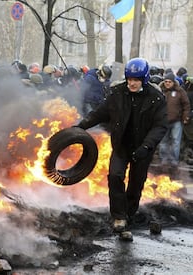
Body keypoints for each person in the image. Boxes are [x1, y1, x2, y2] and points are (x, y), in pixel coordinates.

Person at [75, 57, 168, 239]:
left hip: (143, 148)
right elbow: (100, 113)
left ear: (144, 79)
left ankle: (129, 216)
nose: (132, 83)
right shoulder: (117, 93)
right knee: (115, 176)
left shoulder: (156, 98)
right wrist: (81, 126)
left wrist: (147, 146)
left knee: (135, 185)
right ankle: (118, 217)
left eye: (136, 80)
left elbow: (160, 126)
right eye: (130, 79)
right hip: (121, 145)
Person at [158, 72, 190, 170]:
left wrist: (185, 117)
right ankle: (164, 160)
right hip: (163, 122)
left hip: (176, 121)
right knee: (163, 142)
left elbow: (186, 105)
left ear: (173, 82)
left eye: (169, 82)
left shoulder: (180, 92)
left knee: (176, 142)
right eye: (166, 81)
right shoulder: (161, 91)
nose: (167, 83)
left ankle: (174, 161)